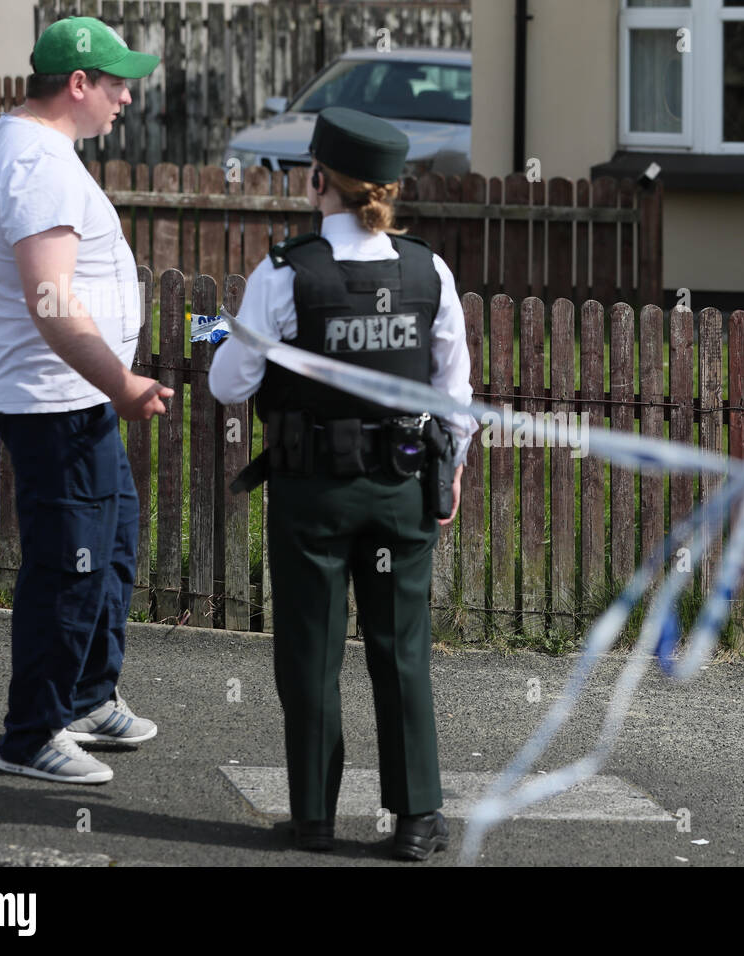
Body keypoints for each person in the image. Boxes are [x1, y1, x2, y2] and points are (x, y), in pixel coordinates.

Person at [208, 107, 476, 860]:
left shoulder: (285, 272)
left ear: (317, 178)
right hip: (402, 489)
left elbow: (231, 385)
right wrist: (450, 475)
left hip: (313, 494)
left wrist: (231, 335)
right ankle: (418, 820)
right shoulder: (430, 270)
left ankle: (314, 818)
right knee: (401, 651)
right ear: (387, 188)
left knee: (310, 651)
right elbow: (455, 394)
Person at [0, 16, 171, 785]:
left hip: (74, 400)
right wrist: (124, 383)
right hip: (57, 403)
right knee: (70, 563)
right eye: (116, 85)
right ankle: (31, 734)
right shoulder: (37, 164)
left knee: (110, 545)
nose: (125, 100)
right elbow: (50, 299)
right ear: (77, 84)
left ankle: (85, 695)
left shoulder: (15, 147)